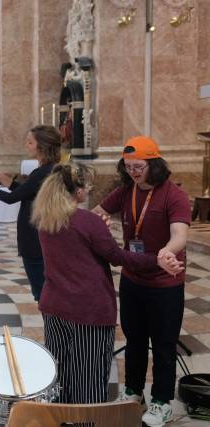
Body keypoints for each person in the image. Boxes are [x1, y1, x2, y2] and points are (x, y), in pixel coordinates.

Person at [31, 163, 183, 405]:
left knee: (59, 373)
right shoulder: (86, 221)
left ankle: (60, 416)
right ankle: (87, 422)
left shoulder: (45, 218)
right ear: (78, 192)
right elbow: (118, 257)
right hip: (88, 310)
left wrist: (98, 230)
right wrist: (157, 260)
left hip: (54, 307)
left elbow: (77, 246)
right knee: (89, 377)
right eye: (87, 186)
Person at [92, 136, 190, 426]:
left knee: (163, 344)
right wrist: (101, 222)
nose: (134, 172)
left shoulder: (173, 195)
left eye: (139, 166)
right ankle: (134, 392)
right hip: (133, 278)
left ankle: (162, 401)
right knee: (134, 340)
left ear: (154, 164)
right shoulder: (125, 192)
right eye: (128, 166)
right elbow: (97, 214)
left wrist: (166, 252)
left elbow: (180, 236)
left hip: (165, 283)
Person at [0, 125, 61, 302]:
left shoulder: (43, 172)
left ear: (41, 145)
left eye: (30, 142)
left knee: (42, 295)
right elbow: (21, 190)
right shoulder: (50, 169)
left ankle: (52, 329)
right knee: (44, 294)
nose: (26, 145)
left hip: (35, 242)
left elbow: (12, 198)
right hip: (40, 240)